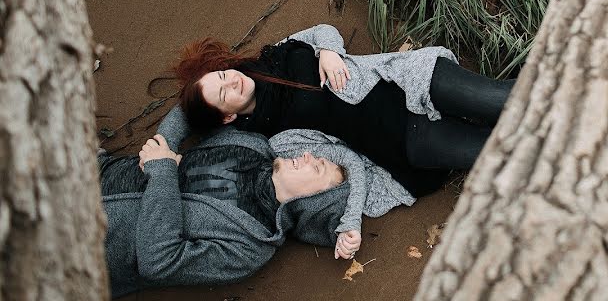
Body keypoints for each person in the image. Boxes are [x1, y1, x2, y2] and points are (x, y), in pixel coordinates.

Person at [167, 24, 515, 198]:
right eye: (224, 93)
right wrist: (166, 147)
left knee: (503, 100)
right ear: (227, 117)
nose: (233, 82)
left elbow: (322, 31)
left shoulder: (274, 56)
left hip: (408, 80)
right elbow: (337, 160)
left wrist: (329, 51)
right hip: (405, 139)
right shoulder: (277, 140)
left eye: (224, 75)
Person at [100, 106, 409, 297]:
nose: (307, 156)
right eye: (317, 157)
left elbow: (158, 261)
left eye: (318, 167)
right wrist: (163, 142)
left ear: (312, 202)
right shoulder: (252, 144)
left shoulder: (250, 244)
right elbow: (194, 108)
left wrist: (163, 170)